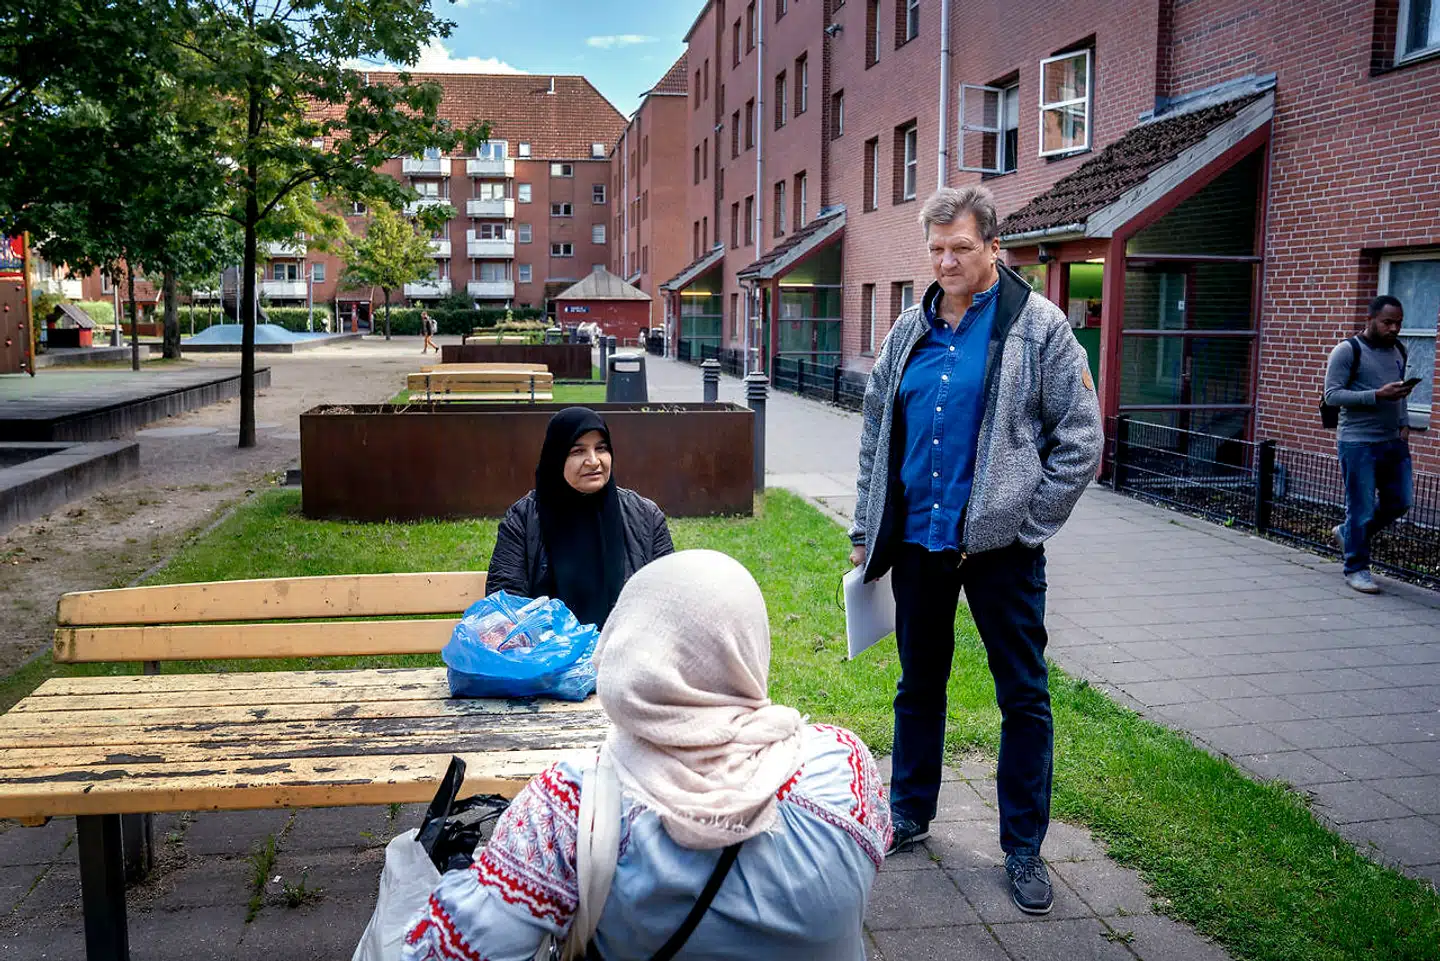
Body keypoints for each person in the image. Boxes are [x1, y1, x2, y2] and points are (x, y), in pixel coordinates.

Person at [403, 550, 892, 961]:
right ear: (749, 644)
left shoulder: (569, 808)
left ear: (625, 646)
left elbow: (448, 951)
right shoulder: (844, 766)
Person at [849, 185, 1102, 915]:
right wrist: (866, 528)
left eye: (960, 247)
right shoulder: (908, 328)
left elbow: (1081, 439)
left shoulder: (1039, 327)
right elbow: (876, 432)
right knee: (917, 685)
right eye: (935, 249)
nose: (946, 261)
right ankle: (909, 812)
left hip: (1001, 553)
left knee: (1023, 695)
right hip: (919, 543)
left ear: (994, 246)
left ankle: (1023, 846)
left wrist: (1026, 523)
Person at [487, 408, 673, 629]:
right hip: (547, 647)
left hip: (626, 647)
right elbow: (505, 604)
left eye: (601, 448)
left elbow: (669, 597)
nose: (593, 461)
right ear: (556, 457)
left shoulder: (645, 517)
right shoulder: (523, 519)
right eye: (577, 451)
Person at [1324, 294, 1415, 594]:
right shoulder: (1347, 351)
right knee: (1360, 508)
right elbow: (1332, 396)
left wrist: (1404, 422)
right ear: (1370, 319)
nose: (1394, 329)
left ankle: (1347, 533)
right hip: (1358, 441)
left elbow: (1399, 392)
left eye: (1398, 323)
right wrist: (1376, 395)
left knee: (1400, 501)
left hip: (1393, 439)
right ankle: (1356, 568)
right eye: (1387, 322)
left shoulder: (1399, 349)